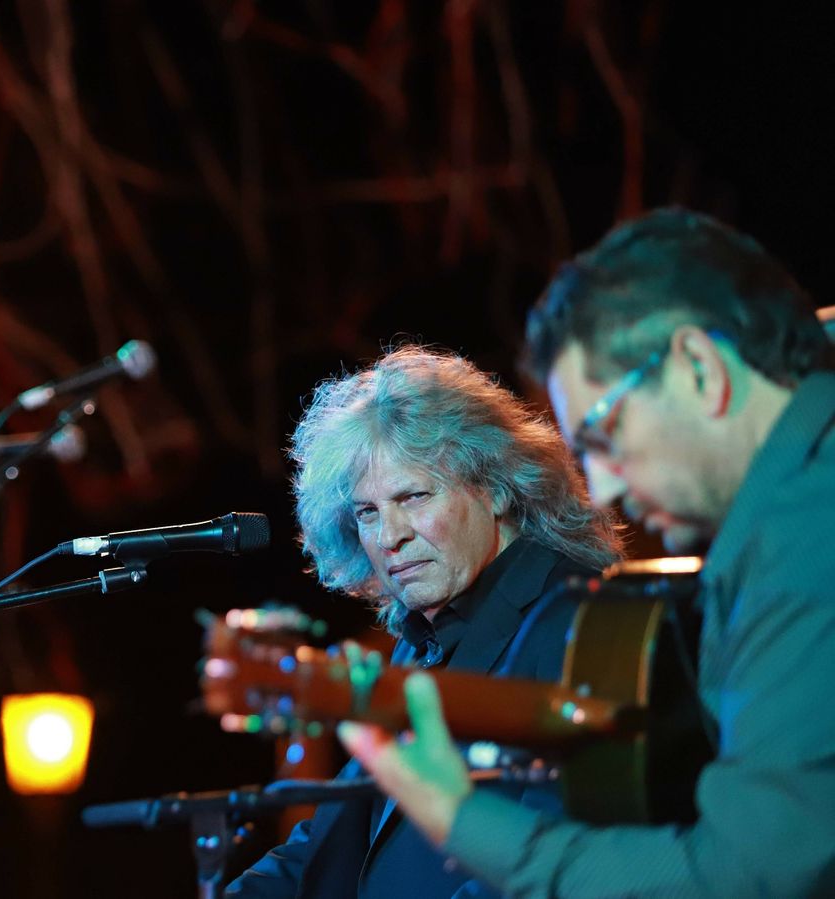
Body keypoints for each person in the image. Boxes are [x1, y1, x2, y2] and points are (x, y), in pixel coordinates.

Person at [336, 207, 835, 896]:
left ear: (699, 366)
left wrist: (461, 819)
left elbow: (744, 875)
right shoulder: (781, 523)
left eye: (604, 431)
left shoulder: (807, 532)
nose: (597, 483)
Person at [226, 347, 621, 899]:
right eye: (367, 512)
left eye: (412, 496)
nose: (389, 537)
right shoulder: (423, 640)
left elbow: (562, 861)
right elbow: (342, 832)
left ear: (498, 487)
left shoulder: (583, 621)